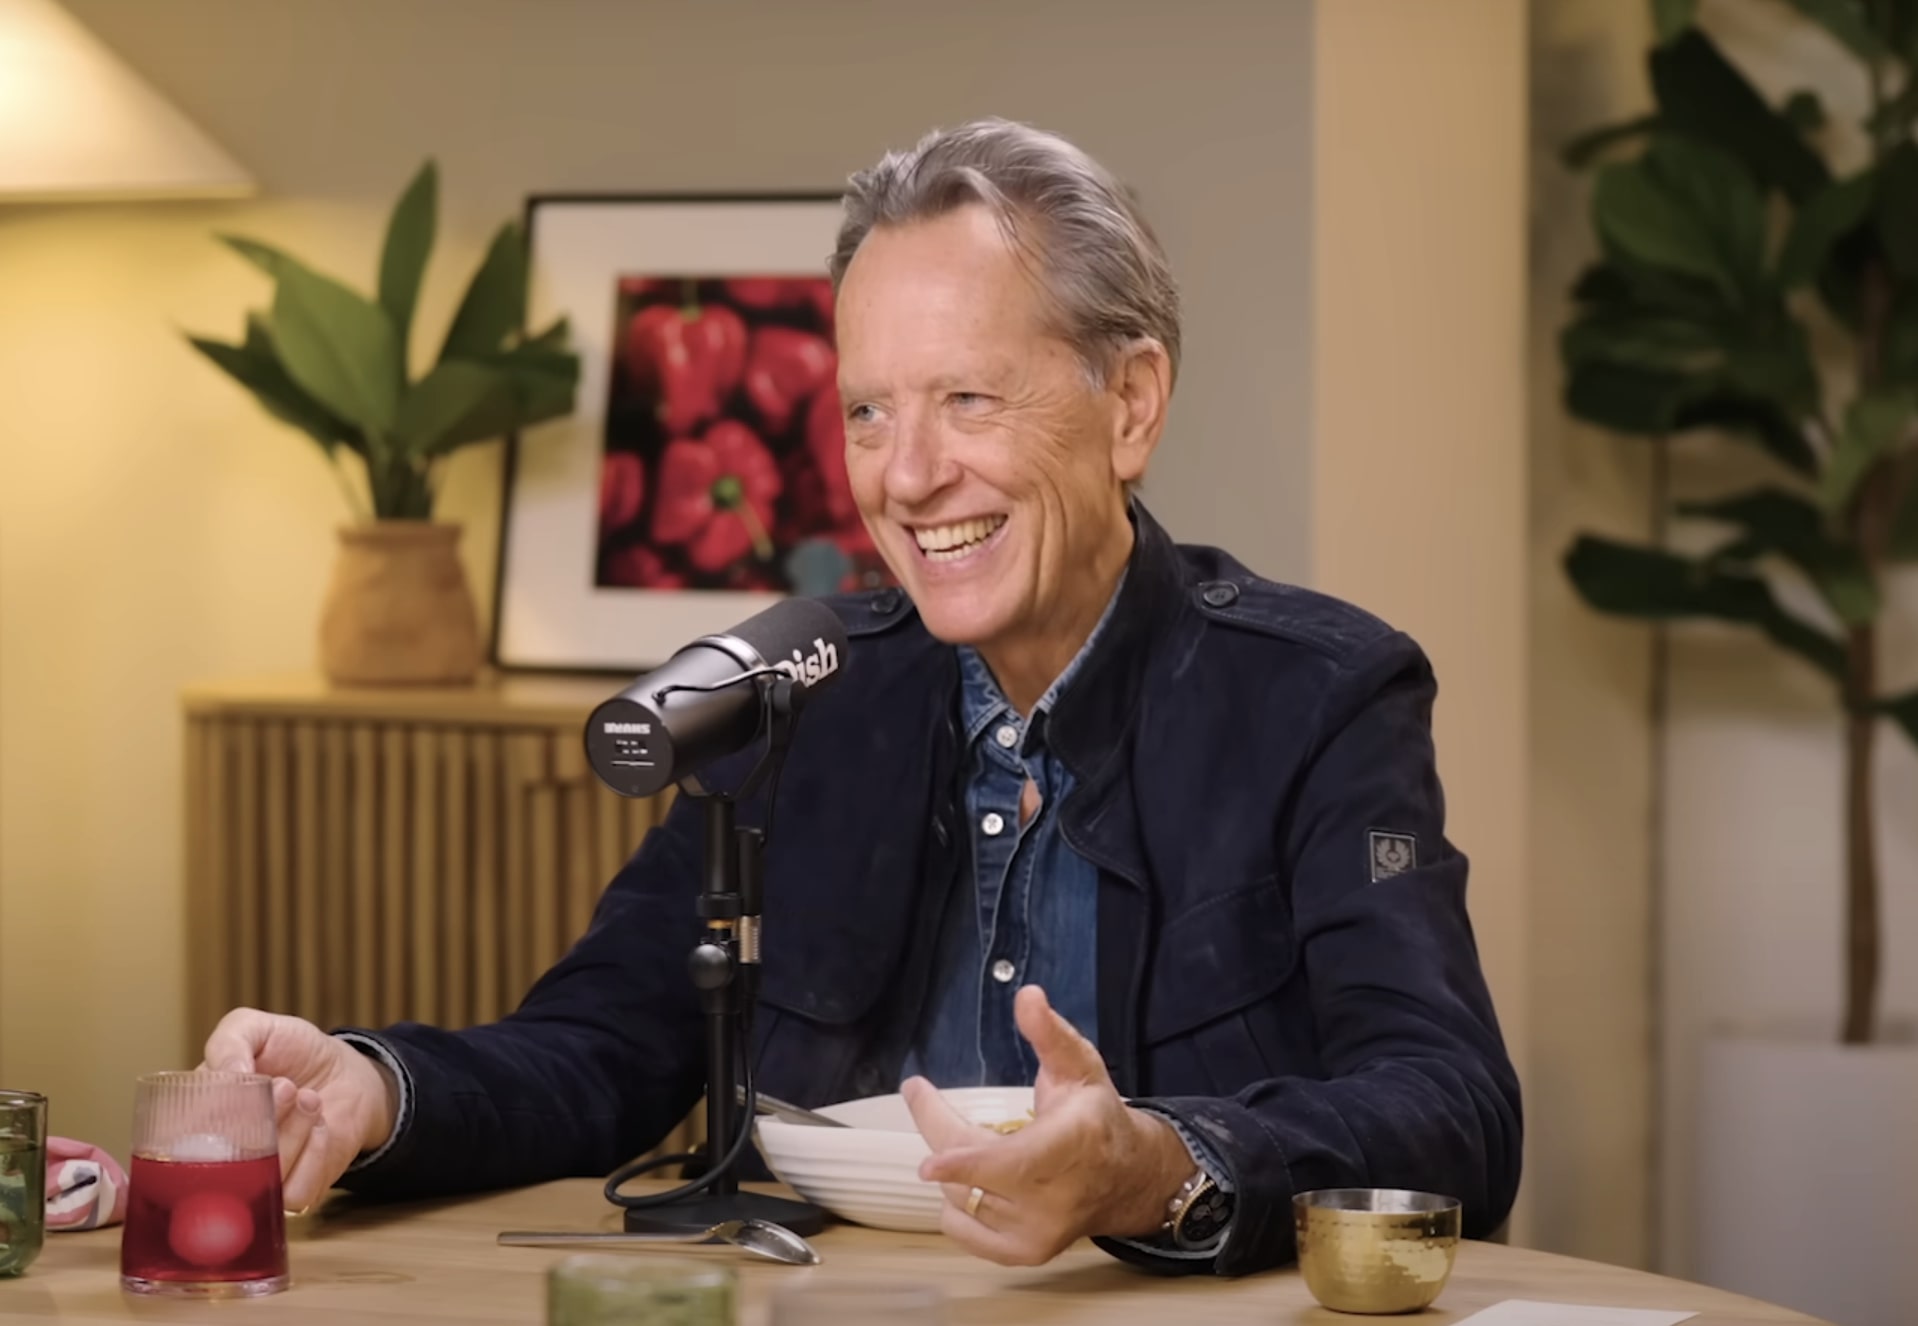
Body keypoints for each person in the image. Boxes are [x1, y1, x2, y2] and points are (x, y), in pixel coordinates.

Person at [203, 118, 1522, 1276]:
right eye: (871, 413)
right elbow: (600, 1046)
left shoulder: (1321, 694)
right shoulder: (803, 697)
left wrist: (1153, 1162)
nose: (906, 476)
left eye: (964, 399)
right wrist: (376, 1086)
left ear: (1129, 404)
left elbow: (1447, 1108)